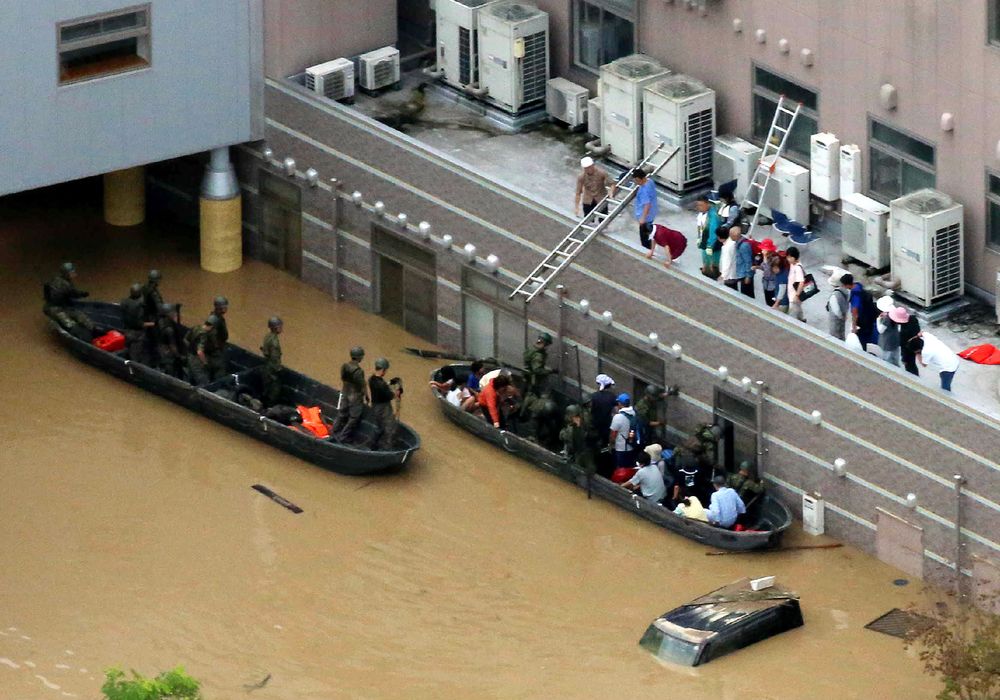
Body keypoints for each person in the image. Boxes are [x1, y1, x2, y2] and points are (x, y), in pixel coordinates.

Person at [43, 262, 94, 339]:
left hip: (61, 306)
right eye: (72, 272)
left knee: (80, 317)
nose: (74, 274)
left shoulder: (55, 279)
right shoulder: (65, 285)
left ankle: (89, 330)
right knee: (70, 324)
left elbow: (46, 286)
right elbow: (75, 294)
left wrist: (47, 298)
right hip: (55, 308)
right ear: (66, 274)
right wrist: (84, 294)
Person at [612, 167, 657, 249]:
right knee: (649, 233)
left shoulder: (644, 190)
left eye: (637, 180)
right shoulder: (650, 182)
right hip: (651, 214)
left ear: (642, 178)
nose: (636, 182)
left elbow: (647, 205)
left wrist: (643, 219)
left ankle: (649, 250)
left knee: (645, 239)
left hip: (646, 218)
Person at [333, 346, 367, 441]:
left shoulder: (344, 366)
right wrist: (366, 396)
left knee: (341, 413)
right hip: (354, 395)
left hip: (345, 392)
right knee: (354, 418)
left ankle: (333, 431)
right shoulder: (359, 371)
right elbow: (362, 385)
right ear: (359, 357)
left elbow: (343, 378)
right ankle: (342, 437)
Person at [367, 358, 398, 450]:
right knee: (390, 428)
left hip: (375, 406)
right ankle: (387, 449)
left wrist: (388, 383)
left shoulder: (371, 379)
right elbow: (390, 396)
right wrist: (396, 393)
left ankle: (372, 446)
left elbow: (381, 386)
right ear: (383, 370)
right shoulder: (382, 385)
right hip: (384, 408)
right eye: (386, 370)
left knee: (378, 427)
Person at [120, 283, 150, 362]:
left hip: (127, 331)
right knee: (135, 355)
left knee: (129, 349)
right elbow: (140, 323)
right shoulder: (140, 306)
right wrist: (152, 324)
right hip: (137, 335)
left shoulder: (124, 302)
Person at [608, 393, 638, 469]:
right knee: (629, 467)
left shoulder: (618, 417)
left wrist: (611, 445)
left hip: (621, 448)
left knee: (620, 469)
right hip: (632, 445)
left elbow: (613, 434)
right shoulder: (633, 413)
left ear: (619, 403)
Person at [186, 315, 218, 386]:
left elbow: (185, 340)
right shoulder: (204, 335)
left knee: (191, 377)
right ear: (212, 326)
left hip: (190, 355)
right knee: (204, 382)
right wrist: (205, 363)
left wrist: (191, 350)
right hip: (196, 359)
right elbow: (200, 352)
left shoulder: (196, 327)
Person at [695, 194, 721, 279]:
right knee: (705, 260)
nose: (699, 207)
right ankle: (706, 270)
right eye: (698, 205)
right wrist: (699, 238)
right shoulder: (701, 214)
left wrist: (710, 245)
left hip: (711, 244)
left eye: (701, 205)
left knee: (712, 264)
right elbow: (699, 226)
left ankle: (713, 276)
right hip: (704, 240)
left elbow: (713, 232)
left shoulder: (713, 216)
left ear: (707, 204)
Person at [850, 278, 880, 351]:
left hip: (863, 323)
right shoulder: (861, 289)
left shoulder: (856, 297)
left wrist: (854, 326)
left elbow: (855, 313)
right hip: (870, 321)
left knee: (863, 340)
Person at [156, 303, 185, 377]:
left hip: (160, 347)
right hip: (167, 353)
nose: (174, 314)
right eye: (173, 313)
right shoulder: (169, 330)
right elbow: (172, 346)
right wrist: (179, 356)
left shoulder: (160, 321)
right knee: (170, 370)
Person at [260, 316, 283, 407]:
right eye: (280, 326)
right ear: (275, 327)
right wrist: (278, 370)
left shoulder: (268, 336)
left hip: (266, 366)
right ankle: (268, 408)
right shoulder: (274, 342)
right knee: (274, 391)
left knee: (266, 388)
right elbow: (274, 358)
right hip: (271, 369)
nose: (281, 328)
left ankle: (264, 404)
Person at [589, 374, 617, 446]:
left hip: (595, 424)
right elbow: (615, 410)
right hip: (607, 424)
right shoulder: (612, 396)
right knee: (605, 443)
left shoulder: (593, 396)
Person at [523, 332, 553, 396]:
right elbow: (537, 370)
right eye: (547, 344)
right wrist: (550, 371)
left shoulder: (532, 349)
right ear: (545, 343)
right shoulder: (538, 355)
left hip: (526, 376)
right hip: (533, 381)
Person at [876, 297, 902, 367]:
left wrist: (878, 320)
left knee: (888, 361)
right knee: (895, 358)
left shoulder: (886, 319)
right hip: (895, 340)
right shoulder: (895, 313)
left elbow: (880, 330)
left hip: (887, 342)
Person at [826, 272, 851, 341]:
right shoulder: (847, 292)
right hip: (843, 317)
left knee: (835, 336)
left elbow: (836, 310)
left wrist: (841, 317)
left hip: (836, 321)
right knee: (841, 334)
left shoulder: (835, 295)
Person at [898, 307, 922, 377]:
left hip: (908, 349)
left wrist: (904, 358)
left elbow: (903, 345)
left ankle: (913, 377)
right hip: (916, 345)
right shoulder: (913, 319)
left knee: (909, 365)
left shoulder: (904, 332)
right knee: (912, 363)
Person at [718, 225, 743, 290]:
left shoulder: (727, 247)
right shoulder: (732, 243)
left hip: (729, 276)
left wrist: (723, 276)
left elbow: (727, 263)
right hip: (734, 273)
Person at [786, 246, 807, 322]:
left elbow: (801, 282)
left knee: (792, 312)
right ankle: (801, 319)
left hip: (794, 295)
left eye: (789, 257)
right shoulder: (793, 264)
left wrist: (797, 295)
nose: (787, 259)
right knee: (798, 309)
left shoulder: (798, 268)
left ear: (794, 257)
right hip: (792, 293)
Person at [757, 239, 779, 306]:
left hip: (772, 285)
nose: (762, 251)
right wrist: (757, 267)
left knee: (771, 302)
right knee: (767, 300)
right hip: (766, 284)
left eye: (764, 250)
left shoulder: (775, 259)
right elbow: (763, 267)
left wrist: (765, 259)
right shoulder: (765, 258)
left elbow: (768, 273)